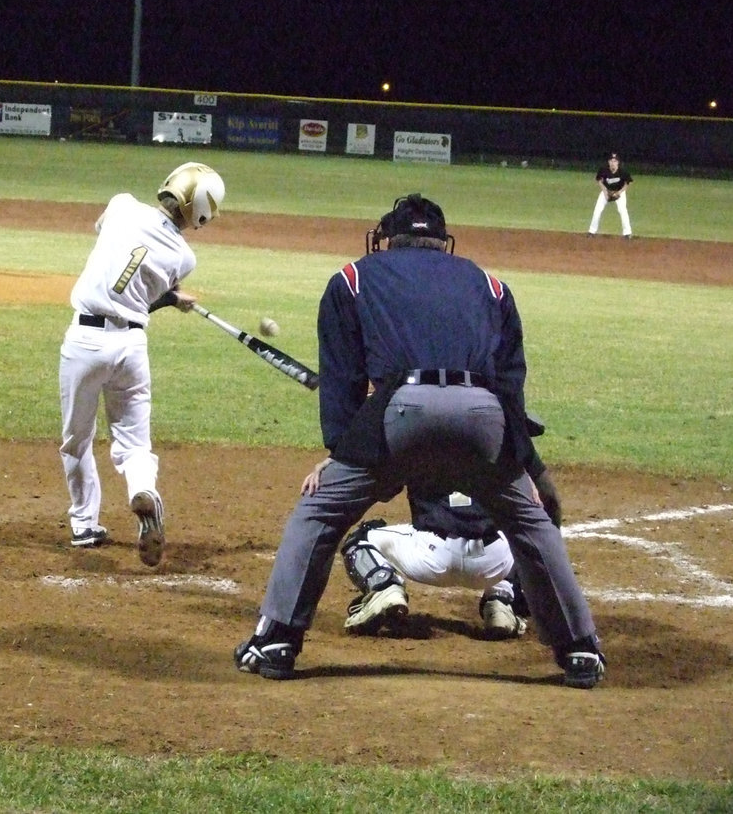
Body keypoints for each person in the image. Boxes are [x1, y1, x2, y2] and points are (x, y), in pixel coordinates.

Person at [234, 193, 605, 688]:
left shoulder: (354, 277)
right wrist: (532, 469)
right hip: (483, 416)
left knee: (319, 513)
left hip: (401, 412)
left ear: (388, 239)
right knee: (531, 525)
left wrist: (339, 455)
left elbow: (343, 384)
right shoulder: (491, 286)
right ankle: (580, 649)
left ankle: (276, 640)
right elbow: (509, 389)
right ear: (442, 242)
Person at [59, 163, 225, 567]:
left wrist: (165, 294)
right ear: (200, 213)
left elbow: (115, 261)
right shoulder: (184, 258)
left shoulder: (122, 205)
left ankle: (84, 524)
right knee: (134, 443)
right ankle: (143, 490)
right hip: (131, 346)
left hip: (84, 341)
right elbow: (139, 295)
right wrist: (170, 297)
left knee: (77, 439)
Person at [321, 417, 559, 641]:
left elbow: (383, 491)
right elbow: (550, 499)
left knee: (361, 539)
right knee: (520, 534)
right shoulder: (497, 442)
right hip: (492, 563)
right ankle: (501, 600)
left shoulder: (412, 439)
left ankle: (384, 587)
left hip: (430, 557)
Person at [587, 152, 634, 238]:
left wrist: (619, 192)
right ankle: (591, 231)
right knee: (597, 210)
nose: (613, 163)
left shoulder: (623, 171)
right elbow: (599, 180)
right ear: (608, 162)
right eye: (611, 161)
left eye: (615, 161)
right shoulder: (603, 170)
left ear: (618, 162)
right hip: (606, 191)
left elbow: (628, 183)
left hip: (619, 192)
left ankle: (627, 233)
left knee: (622, 210)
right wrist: (605, 191)